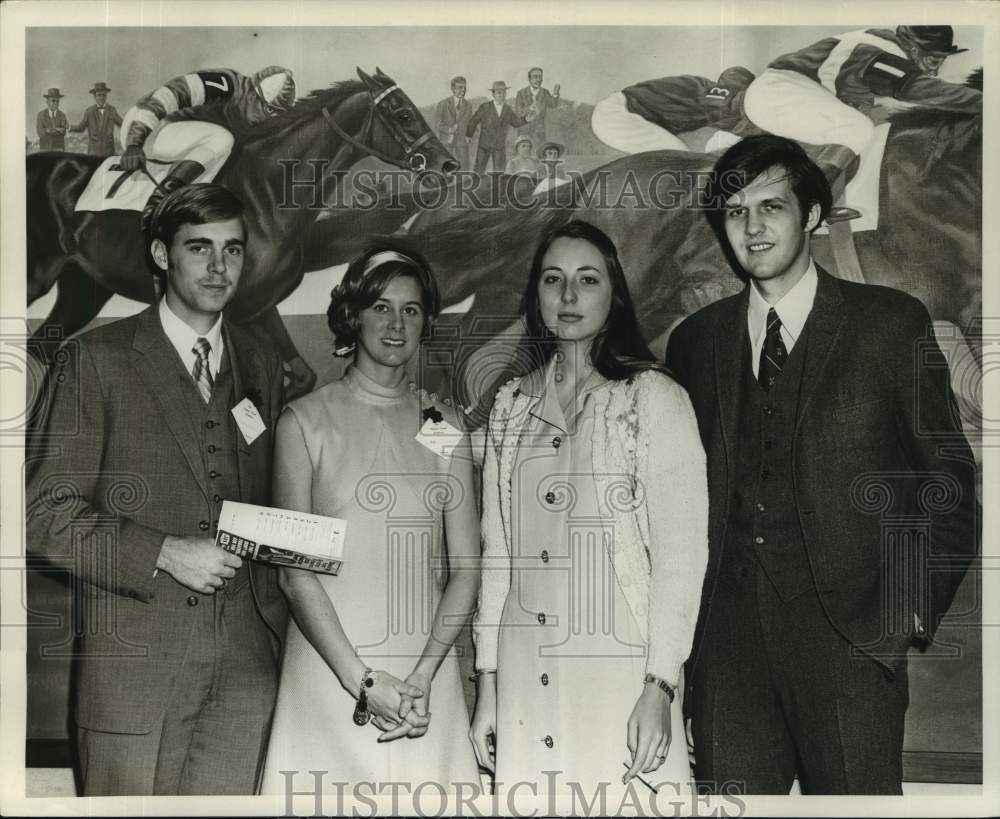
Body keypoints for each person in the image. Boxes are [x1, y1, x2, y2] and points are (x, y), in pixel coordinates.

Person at [665, 135, 979, 794]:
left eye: (771, 206)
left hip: (853, 656)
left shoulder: (891, 324)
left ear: (810, 216)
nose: (751, 228)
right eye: (735, 211)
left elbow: (945, 488)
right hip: (727, 662)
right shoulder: (696, 343)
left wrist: (897, 626)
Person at [25, 183, 288, 795]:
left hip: (248, 669)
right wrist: (165, 552)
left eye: (233, 250)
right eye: (200, 248)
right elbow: (42, 514)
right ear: (163, 255)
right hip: (135, 670)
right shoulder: (94, 359)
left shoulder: (262, 364)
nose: (220, 267)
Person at [470, 220, 708, 805]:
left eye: (587, 279)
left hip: (620, 670)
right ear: (536, 296)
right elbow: (498, 555)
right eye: (553, 280)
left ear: (614, 294)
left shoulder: (655, 399)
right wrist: (488, 685)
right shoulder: (510, 405)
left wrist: (660, 686)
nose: (569, 297)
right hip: (525, 668)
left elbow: (682, 558)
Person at [260, 248, 481, 796]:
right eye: (381, 306)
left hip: (422, 684)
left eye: (411, 310)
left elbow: (468, 569)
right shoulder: (305, 421)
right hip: (329, 674)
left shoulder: (441, 424)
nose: (396, 323)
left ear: (427, 322)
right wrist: (360, 680)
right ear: (354, 315)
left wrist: (423, 678)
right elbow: (294, 575)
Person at [743, 25, 981, 219]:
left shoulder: (875, 47)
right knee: (858, 128)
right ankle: (807, 201)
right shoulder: (881, 52)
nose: (935, 70)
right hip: (779, 92)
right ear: (914, 48)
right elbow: (920, 89)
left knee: (863, 126)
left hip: (783, 92)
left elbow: (852, 93)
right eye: (932, 59)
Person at [119, 65, 296, 198]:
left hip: (177, 137)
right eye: (269, 109)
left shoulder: (250, 118)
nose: (269, 118)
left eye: (277, 114)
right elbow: (165, 97)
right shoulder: (224, 84)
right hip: (148, 126)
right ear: (252, 94)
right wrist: (134, 143)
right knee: (222, 138)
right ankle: (160, 199)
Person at [592, 67, 760, 155]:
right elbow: (734, 121)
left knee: (684, 161)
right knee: (682, 162)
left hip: (616, 110)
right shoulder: (716, 96)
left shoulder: (702, 85)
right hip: (619, 115)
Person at [466, 81, 528, 174]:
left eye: (503, 92)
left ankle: (498, 188)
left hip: (499, 146)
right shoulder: (485, 107)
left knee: (500, 171)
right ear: (493, 94)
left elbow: (516, 123)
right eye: (499, 92)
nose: (501, 95)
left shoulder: (507, 109)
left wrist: (526, 119)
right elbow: (474, 121)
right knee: (478, 170)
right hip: (484, 144)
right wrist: (469, 135)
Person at [69, 81, 123, 156]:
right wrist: (68, 127)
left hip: (109, 152)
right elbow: (81, 128)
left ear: (106, 96)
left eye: (103, 95)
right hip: (93, 153)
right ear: (94, 97)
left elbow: (123, 124)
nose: (101, 98)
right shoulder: (89, 111)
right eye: (99, 95)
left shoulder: (112, 110)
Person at [514, 66, 561, 145]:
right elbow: (518, 112)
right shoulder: (521, 93)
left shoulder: (545, 92)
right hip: (524, 130)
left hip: (539, 131)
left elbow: (553, 104)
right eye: (535, 77)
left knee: (540, 153)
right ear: (529, 79)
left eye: (540, 77)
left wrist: (555, 93)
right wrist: (529, 108)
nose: (538, 80)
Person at [435, 75, 473, 169]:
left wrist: (469, 135)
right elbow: (437, 124)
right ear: (453, 88)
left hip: (462, 144)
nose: (463, 90)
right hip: (446, 143)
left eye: (464, 87)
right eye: (460, 87)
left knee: (464, 169)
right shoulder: (443, 104)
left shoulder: (468, 106)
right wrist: (449, 130)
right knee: (445, 169)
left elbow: (470, 124)